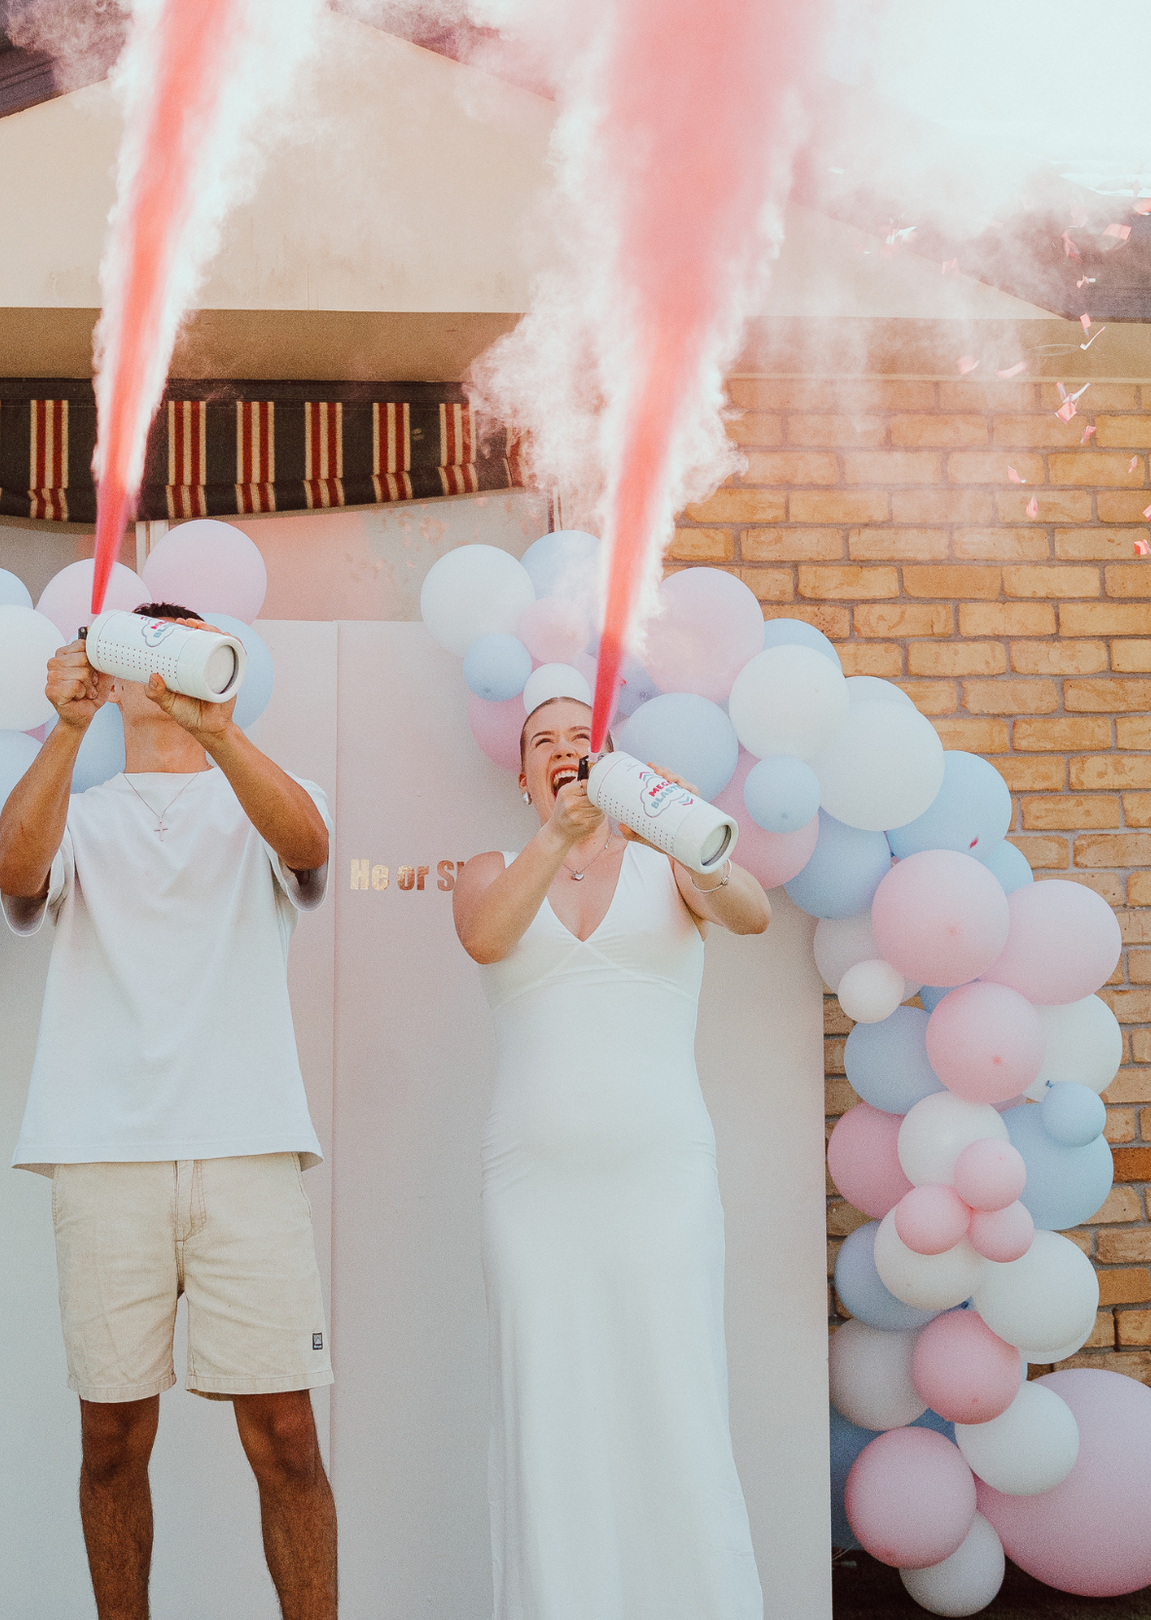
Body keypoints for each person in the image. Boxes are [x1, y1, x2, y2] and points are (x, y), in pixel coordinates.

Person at [0, 602, 336, 1620]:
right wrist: (64, 725)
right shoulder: (82, 809)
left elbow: (310, 845)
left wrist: (217, 726)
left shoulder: (262, 794)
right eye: (143, 647)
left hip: (245, 1147)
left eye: (181, 644)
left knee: (284, 1434)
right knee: (110, 1440)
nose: (161, 667)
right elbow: (14, 872)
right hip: (103, 1152)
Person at [452, 691, 772, 1620]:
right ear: (521, 778)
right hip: (532, 1193)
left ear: (612, 762)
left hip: (660, 1178)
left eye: (578, 737)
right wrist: (558, 837)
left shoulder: (664, 866)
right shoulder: (490, 868)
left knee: (673, 1404)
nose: (560, 748)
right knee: (550, 1419)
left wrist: (670, 827)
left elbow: (748, 913)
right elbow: (486, 935)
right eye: (540, 741)